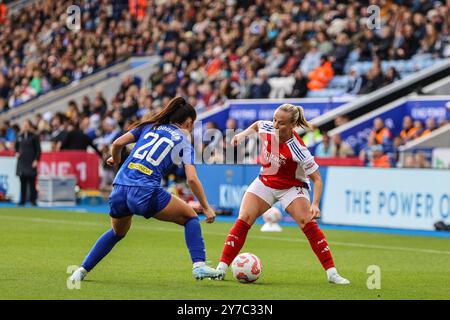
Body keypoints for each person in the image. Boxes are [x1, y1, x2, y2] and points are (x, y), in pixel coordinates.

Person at [70, 97, 224, 282]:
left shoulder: (149, 126)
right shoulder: (183, 140)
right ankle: (199, 266)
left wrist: (116, 160)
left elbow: (117, 144)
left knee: (116, 233)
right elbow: (191, 178)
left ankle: (81, 271)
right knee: (191, 217)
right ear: (189, 122)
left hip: (120, 187)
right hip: (144, 190)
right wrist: (206, 206)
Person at [215, 104, 350, 284]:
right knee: (244, 217)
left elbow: (317, 179)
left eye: (282, 123)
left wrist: (315, 204)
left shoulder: (299, 150)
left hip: (291, 187)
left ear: (293, 125)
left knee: (306, 222)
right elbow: (257, 125)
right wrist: (241, 135)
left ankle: (332, 272)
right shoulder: (268, 127)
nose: (276, 125)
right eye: (274, 120)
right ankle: (221, 268)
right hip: (266, 181)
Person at [15, 120, 41, 206]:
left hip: (31, 161)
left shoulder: (34, 137)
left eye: (26, 125)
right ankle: (22, 200)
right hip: (22, 162)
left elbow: (38, 150)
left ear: (30, 126)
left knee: (32, 183)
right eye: (24, 125)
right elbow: (16, 147)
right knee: (22, 182)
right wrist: (16, 152)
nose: (25, 127)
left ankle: (32, 201)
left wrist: (36, 160)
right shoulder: (20, 136)